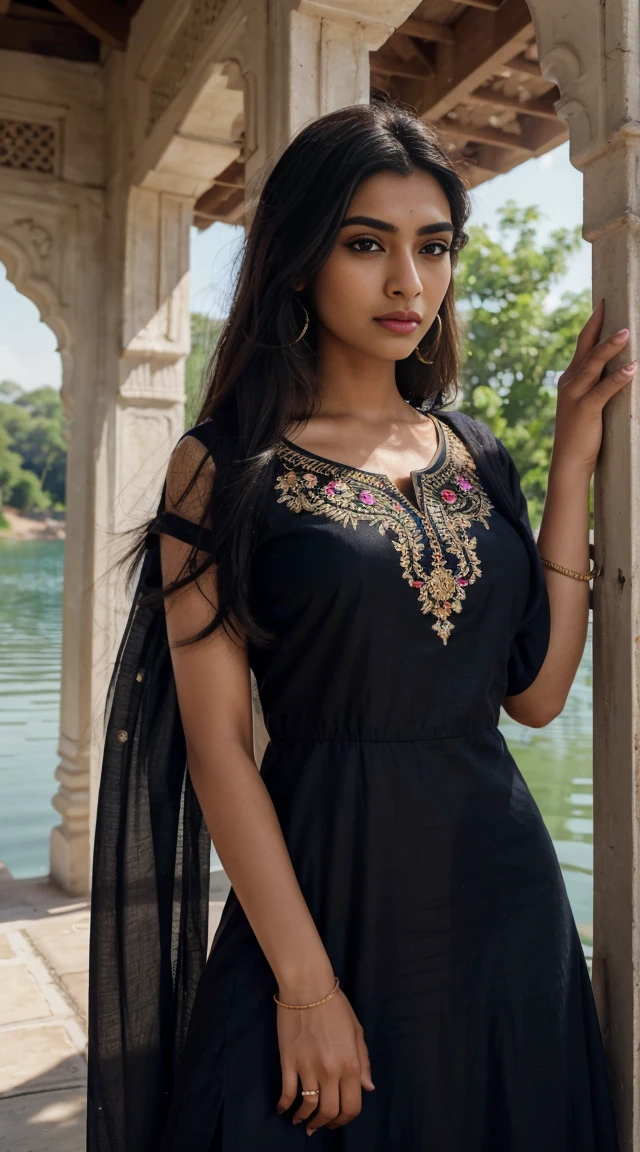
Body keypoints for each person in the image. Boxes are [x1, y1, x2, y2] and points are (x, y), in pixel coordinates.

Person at [87, 98, 633, 1152]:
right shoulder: (225, 465)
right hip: (325, 899)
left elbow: (535, 694)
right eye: (365, 245)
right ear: (299, 259)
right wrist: (302, 985)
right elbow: (216, 746)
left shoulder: (476, 455)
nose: (407, 283)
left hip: (503, 904)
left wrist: (570, 462)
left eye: (432, 247)